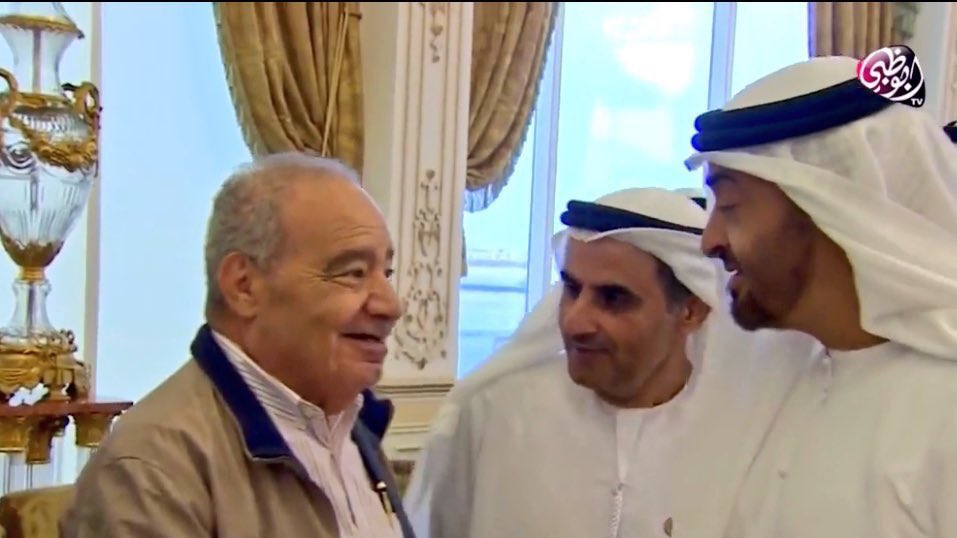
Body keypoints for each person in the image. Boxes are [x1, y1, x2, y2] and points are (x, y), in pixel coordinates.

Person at [670, 55, 957, 537]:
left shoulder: (944, 408)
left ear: (828, 205)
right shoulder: (787, 381)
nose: (710, 241)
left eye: (732, 206)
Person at [60, 152, 416, 537]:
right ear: (244, 286)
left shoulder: (352, 430)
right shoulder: (150, 470)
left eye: (386, 273)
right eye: (353, 273)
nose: (391, 305)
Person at [404, 186, 762, 538]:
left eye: (613, 298)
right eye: (572, 289)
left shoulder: (741, 443)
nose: (576, 321)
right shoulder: (494, 414)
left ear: (691, 311)